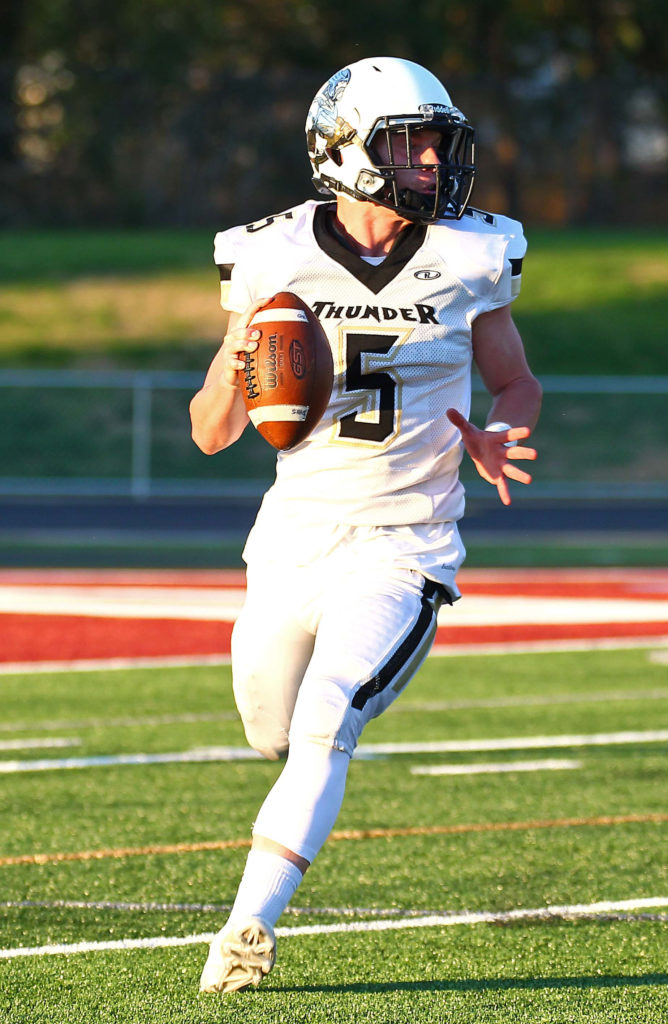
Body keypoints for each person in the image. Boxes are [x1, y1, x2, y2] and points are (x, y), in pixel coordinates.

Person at [190, 56, 542, 994]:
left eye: (436, 143)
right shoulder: (271, 253)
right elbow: (211, 432)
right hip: (292, 540)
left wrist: (499, 435)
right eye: (409, 144)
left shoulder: (472, 251)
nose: (432, 162)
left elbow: (516, 381)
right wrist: (237, 357)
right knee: (271, 732)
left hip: (406, 543)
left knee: (326, 717)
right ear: (345, 152)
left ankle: (245, 931)